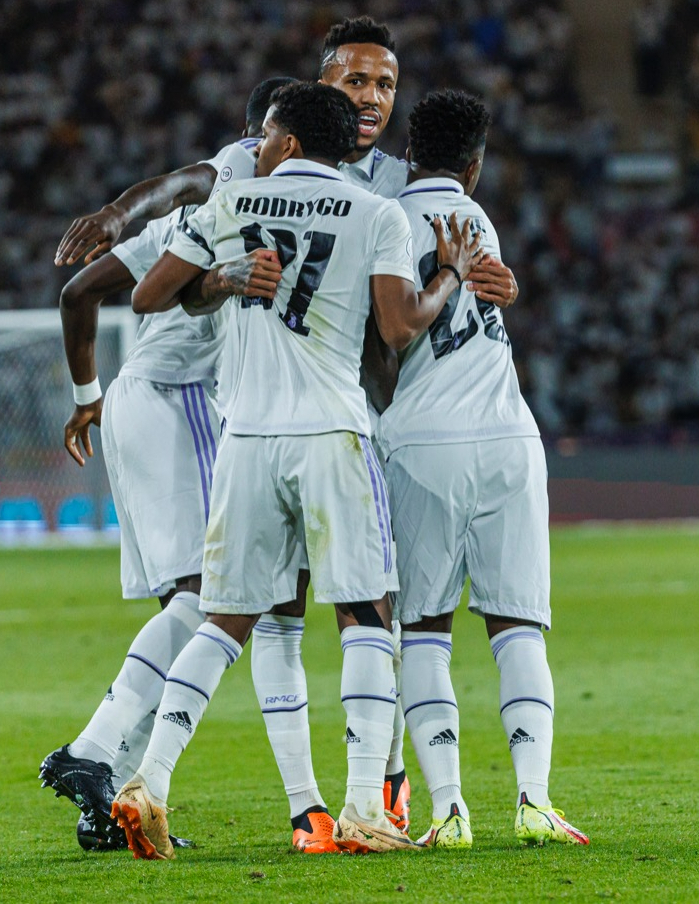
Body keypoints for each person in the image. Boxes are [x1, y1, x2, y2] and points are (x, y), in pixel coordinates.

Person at [109, 82, 482, 858]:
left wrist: (225, 278)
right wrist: (450, 273)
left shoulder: (234, 204)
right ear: (345, 144)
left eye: (269, 134)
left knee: (225, 619)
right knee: (367, 614)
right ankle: (362, 806)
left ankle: (149, 778)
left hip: (245, 437)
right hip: (330, 433)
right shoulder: (374, 212)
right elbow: (398, 327)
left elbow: (149, 296)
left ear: (284, 139)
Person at [37, 78, 294, 851]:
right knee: (215, 601)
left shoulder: (196, 220)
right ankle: (91, 748)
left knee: (187, 616)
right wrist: (121, 210)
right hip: (180, 403)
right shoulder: (241, 179)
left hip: (138, 405)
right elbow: (192, 178)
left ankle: (104, 799)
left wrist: (88, 396)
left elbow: (78, 293)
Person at [383, 90, 588, 848]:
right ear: (473, 165)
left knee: (424, 631)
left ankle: (448, 810)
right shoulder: (480, 217)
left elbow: (388, 330)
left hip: (424, 439)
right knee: (519, 626)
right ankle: (534, 799)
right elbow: (489, 299)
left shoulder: (387, 216)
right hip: (508, 435)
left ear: (410, 152)